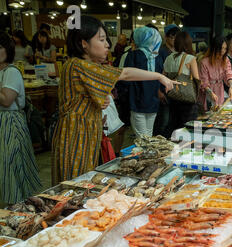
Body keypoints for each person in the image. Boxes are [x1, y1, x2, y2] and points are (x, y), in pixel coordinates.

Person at [51, 15, 176, 184]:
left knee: (83, 181)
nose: (107, 45)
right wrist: (160, 76)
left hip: (87, 134)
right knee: (73, 184)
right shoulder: (77, 65)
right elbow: (123, 74)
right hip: (76, 136)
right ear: (84, 43)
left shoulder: (84, 66)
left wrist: (99, 102)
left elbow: (85, 98)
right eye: (101, 40)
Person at [0, 32, 41, 204]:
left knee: (12, 164)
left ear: (7, 49)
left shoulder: (11, 71)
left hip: (10, 122)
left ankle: (19, 205)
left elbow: (6, 100)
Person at [124, 26, 164, 137]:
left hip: (137, 101)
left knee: (141, 138)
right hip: (153, 102)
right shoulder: (157, 57)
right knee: (149, 135)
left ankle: (144, 154)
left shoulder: (133, 55)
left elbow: (125, 79)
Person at [164, 31, 199, 135]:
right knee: (188, 128)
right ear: (188, 43)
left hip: (173, 96)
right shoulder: (190, 58)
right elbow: (197, 79)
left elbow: (163, 75)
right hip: (187, 97)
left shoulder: (168, 57)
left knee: (174, 124)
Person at [154, 24, 180, 138]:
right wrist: (158, 91)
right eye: (172, 37)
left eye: (176, 37)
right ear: (166, 37)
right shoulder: (162, 51)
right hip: (163, 89)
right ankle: (158, 140)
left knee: (172, 119)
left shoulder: (179, 51)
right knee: (163, 120)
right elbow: (158, 72)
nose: (174, 40)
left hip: (174, 90)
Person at [198, 36, 232, 111]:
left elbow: (228, 74)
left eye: (225, 48)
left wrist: (231, 87)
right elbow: (204, 82)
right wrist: (211, 93)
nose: (222, 51)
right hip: (207, 93)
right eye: (220, 48)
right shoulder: (204, 62)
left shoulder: (226, 60)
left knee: (219, 112)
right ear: (214, 48)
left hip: (220, 90)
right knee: (208, 113)